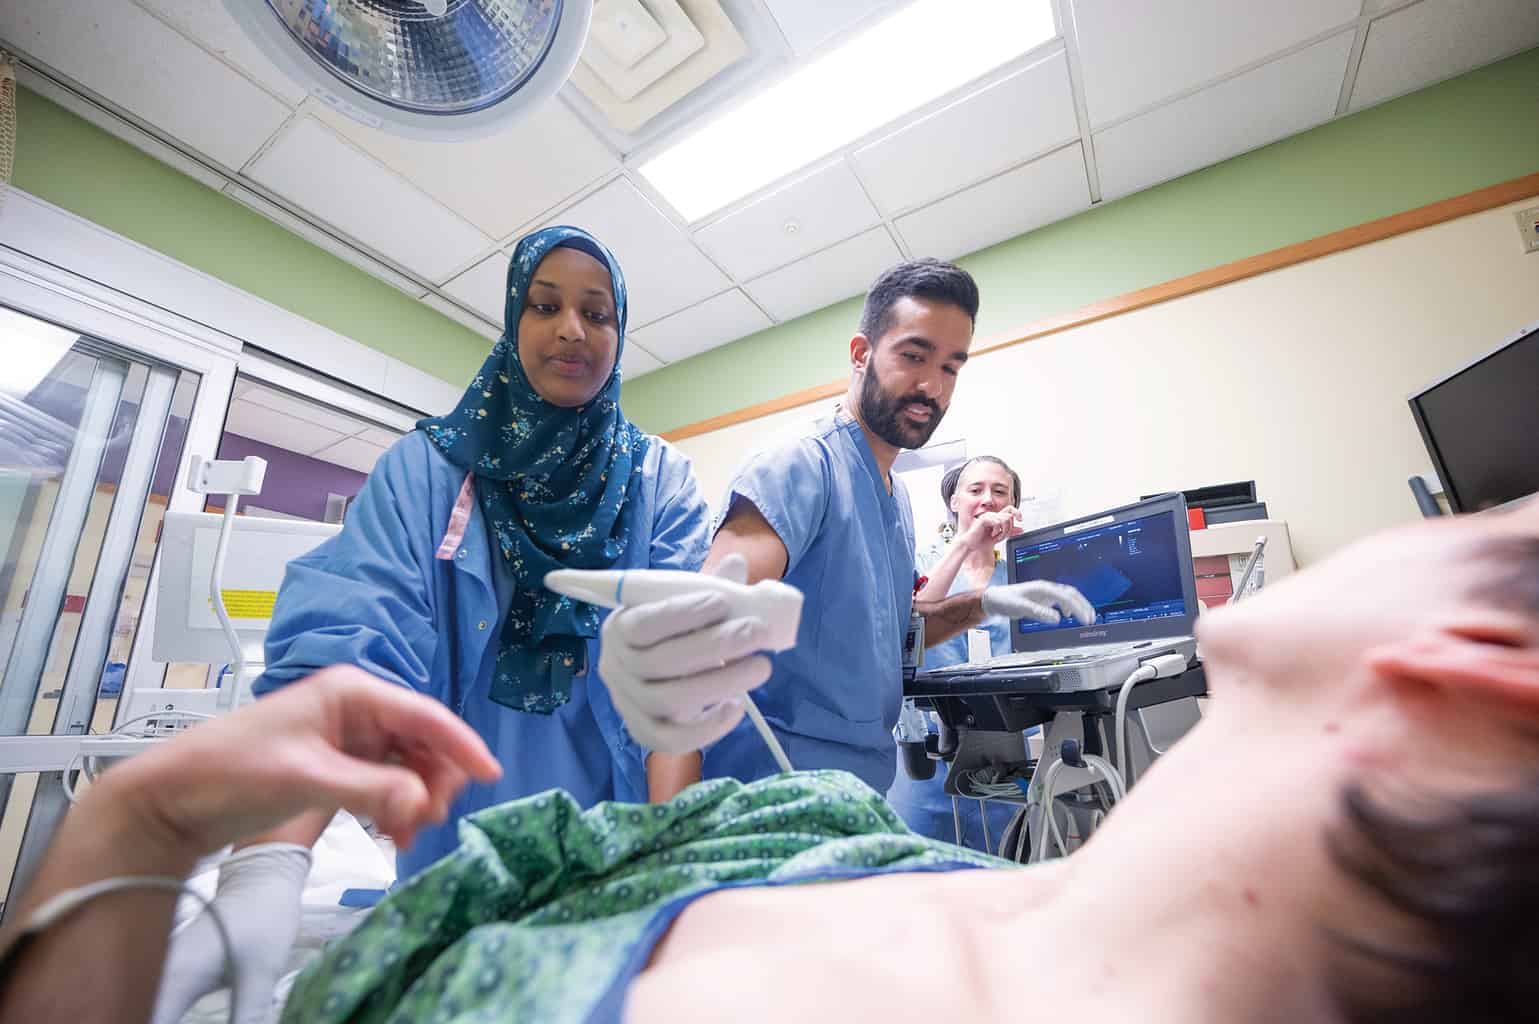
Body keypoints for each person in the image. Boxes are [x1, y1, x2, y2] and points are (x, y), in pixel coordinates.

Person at [8, 504, 1538, 1023]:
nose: (1444, 518)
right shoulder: (870, 850)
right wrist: (675, 719)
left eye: (1493, 522)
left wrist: (127, 830)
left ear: (1492, 672)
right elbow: (743, 585)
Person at [149, 226, 764, 1023]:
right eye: (545, 305)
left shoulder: (658, 481)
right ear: (513, 321)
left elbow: (677, 691)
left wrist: (661, 860)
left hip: (613, 836)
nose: (572, 329)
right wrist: (267, 862)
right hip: (456, 838)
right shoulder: (429, 473)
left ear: (620, 334)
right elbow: (348, 652)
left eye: (598, 312)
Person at [615, 259, 1094, 798]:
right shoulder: (800, 466)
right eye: (914, 356)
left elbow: (891, 638)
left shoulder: (896, 497)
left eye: (951, 367)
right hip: (769, 790)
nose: (931, 385)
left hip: (860, 785)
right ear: (861, 354)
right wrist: (674, 830)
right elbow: (692, 648)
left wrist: (983, 605)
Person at [888, 455, 1028, 849]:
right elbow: (915, 619)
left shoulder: (1020, 572)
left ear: (1013, 504)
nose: (988, 498)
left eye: (1000, 491)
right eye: (976, 489)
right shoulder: (924, 562)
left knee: (1006, 867)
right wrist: (966, 544)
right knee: (922, 874)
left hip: (1007, 757)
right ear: (954, 500)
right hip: (930, 757)